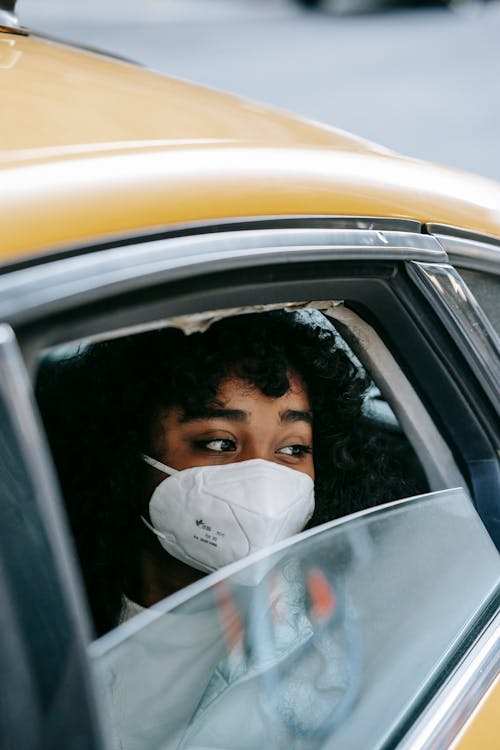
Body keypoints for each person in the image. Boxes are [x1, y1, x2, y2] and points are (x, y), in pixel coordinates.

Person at [36, 310, 419, 637]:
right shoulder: (37, 607)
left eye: (293, 448)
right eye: (220, 443)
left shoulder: (328, 627)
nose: (264, 483)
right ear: (126, 446)